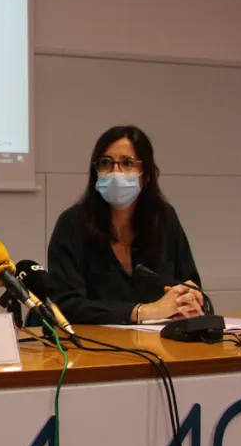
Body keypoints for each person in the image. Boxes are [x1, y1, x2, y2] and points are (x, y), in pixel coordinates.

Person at [45, 125, 205, 325]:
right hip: (96, 349)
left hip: (162, 346)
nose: (115, 172)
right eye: (106, 163)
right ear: (96, 173)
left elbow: (190, 285)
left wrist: (191, 299)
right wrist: (142, 312)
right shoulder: (72, 224)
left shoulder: (163, 219)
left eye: (127, 163)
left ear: (145, 175)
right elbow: (66, 305)